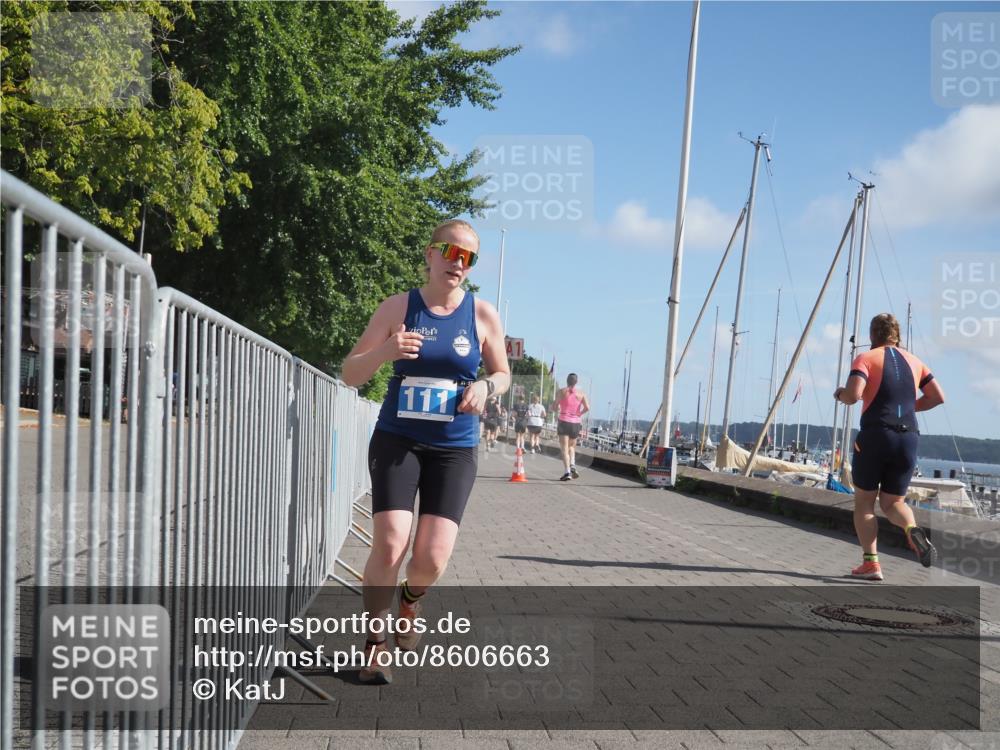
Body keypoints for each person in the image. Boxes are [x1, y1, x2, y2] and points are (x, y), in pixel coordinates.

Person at [341, 219, 509, 683]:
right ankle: (375, 645)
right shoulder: (398, 307)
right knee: (392, 540)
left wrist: (485, 385)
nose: (458, 263)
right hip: (398, 439)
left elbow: (503, 373)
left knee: (432, 557)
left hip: (454, 447)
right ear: (430, 254)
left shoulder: (482, 315)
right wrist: (387, 351)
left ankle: (411, 602)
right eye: (450, 252)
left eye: (468, 257)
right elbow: (349, 373)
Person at [834, 313, 944, 581]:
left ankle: (871, 563)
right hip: (908, 437)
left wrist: (840, 393)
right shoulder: (916, 361)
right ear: (897, 335)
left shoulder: (866, 358)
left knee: (865, 503)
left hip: (876, 434)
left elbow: (855, 394)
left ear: (872, 336)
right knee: (894, 502)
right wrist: (909, 406)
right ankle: (911, 529)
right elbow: (938, 397)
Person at [552, 373, 590, 481]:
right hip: (575, 423)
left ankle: (567, 472)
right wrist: (579, 414)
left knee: (564, 449)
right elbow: (587, 407)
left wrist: (555, 408)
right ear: (576, 382)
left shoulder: (561, 391)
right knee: (572, 447)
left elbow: (555, 406)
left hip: (564, 421)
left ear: (567, 380)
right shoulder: (581, 393)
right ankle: (573, 465)